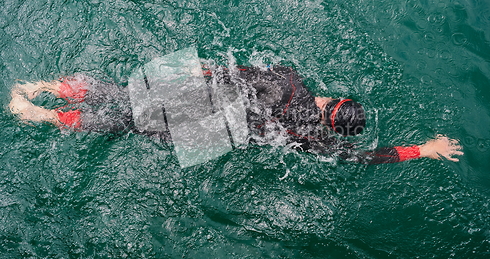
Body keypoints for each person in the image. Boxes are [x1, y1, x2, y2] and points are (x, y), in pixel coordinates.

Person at [8, 64, 463, 164]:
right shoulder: (314, 139)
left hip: (202, 92)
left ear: (330, 103)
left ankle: (41, 88)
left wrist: (189, 78)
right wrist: (423, 148)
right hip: (213, 130)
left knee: (125, 96)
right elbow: (361, 158)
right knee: (128, 123)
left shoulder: (289, 79)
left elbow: (226, 71)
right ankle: (43, 116)